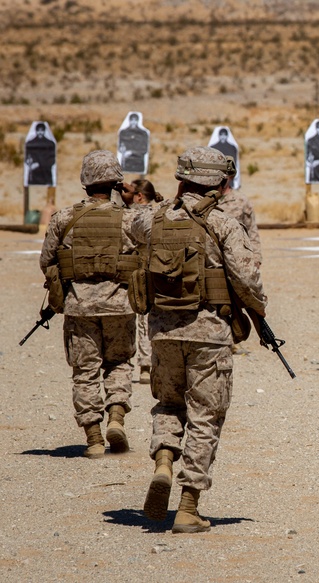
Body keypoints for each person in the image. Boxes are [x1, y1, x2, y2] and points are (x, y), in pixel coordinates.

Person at [135, 146, 267, 533]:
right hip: (209, 334)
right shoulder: (224, 224)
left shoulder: (152, 221)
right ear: (221, 183)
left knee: (169, 402)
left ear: (181, 179)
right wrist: (259, 311)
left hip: (162, 333)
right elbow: (248, 280)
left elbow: (126, 227)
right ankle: (189, 505)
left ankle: (163, 459)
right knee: (205, 415)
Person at [39, 150, 140, 458]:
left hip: (79, 307)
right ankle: (117, 417)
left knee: (85, 370)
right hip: (119, 305)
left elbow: (47, 261)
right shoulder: (131, 219)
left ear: (85, 183)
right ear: (116, 184)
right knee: (120, 363)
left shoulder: (64, 218)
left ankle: (94, 438)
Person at [128, 178, 164, 384]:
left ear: (139, 196)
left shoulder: (134, 214)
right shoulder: (161, 212)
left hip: (137, 271)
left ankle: (144, 366)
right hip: (159, 270)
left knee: (141, 321)